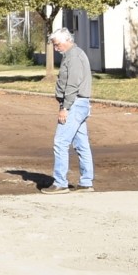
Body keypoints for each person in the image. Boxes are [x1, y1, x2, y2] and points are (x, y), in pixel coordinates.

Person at [42, 27, 94, 194]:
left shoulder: (75, 57)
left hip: (74, 104)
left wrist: (65, 107)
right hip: (78, 104)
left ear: (67, 41)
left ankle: (60, 183)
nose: (56, 48)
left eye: (57, 45)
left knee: (60, 142)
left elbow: (72, 84)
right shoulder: (71, 55)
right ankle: (86, 182)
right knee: (81, 144)